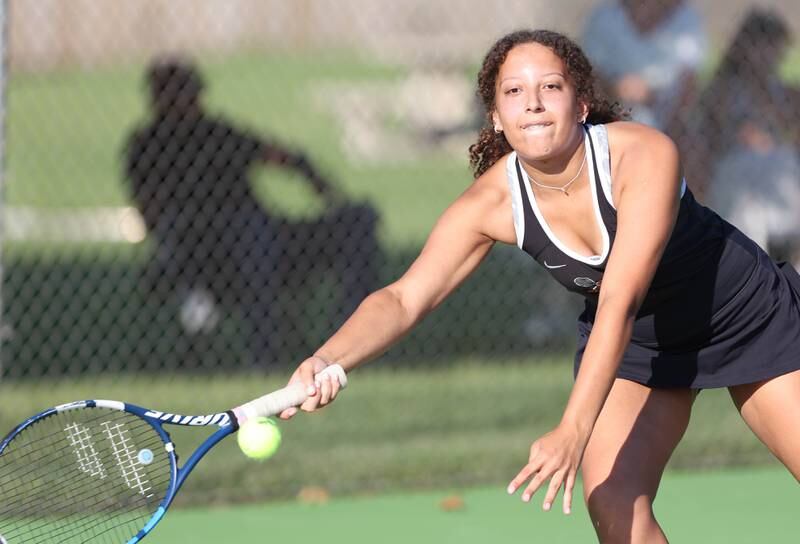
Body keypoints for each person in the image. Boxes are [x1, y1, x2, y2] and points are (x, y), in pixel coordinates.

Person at [275, 29, 800, 541]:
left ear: (582, 105)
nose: (532, 103)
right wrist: (329, 358)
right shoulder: (491, 205)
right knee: (614, 503)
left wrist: (573, 428)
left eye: (550, 87)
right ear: (496, 118)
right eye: (514, 92)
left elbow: (619, 297)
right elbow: (404, 296)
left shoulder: (642, 154)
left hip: (741, 314)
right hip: (640, 345)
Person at [124, 57, 381, 365]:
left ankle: (353, 345)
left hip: (267, 241)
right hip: (199, 254)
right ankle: (264, 354)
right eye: (176, 94)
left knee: (358, 219)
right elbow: (151, 215)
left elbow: (281, 156)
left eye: (191, 93)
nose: (188, 103)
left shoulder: (216, 134)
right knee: (249, 236)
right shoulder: (147, 145)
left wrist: (318, 182)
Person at [680, 9, 800, 264]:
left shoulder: (785, 92)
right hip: (735, 171)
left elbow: (789, 130)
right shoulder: (723, 89)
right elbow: (721, 132)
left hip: (777, 171)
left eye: (774, 47)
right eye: (761, 46)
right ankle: (757, 261)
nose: (768, 55)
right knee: (750, 185)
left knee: (781, 163)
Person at [581, 0, 707, 135]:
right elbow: (590, 74)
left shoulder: (686, 20)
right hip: (608, 121)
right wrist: (615, 87)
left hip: (661, 126)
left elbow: (689, 87)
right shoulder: (606, 16)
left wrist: (653, 99)